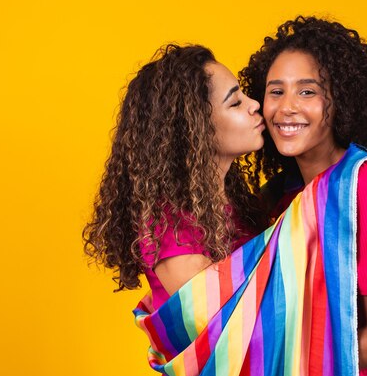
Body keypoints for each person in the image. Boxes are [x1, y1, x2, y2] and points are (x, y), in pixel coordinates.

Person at [239, 16, 367, 376]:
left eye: (308, 92)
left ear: (340, 100)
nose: (286, 107)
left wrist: (275, 363)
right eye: (276, 91)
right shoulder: (276, 200)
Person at [82, 43, 267, 308]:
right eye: (235, 102)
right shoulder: (170, 227)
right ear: (196, 128)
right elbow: (223, 320)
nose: (255, 104)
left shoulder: (235, 203)